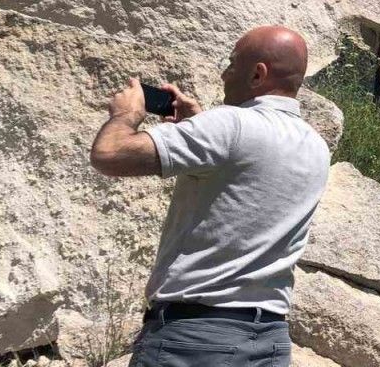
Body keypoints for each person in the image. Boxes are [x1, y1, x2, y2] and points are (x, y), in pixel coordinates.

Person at [90, 25, 331, 367]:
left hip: (194, 341)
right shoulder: (316, 146)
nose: (224, 73)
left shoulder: (229, 125)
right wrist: (198, 124)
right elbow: (246, 166)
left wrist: (126, 115)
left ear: (258, 74)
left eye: (232, 63)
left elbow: (110, 154)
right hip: (269, 341)